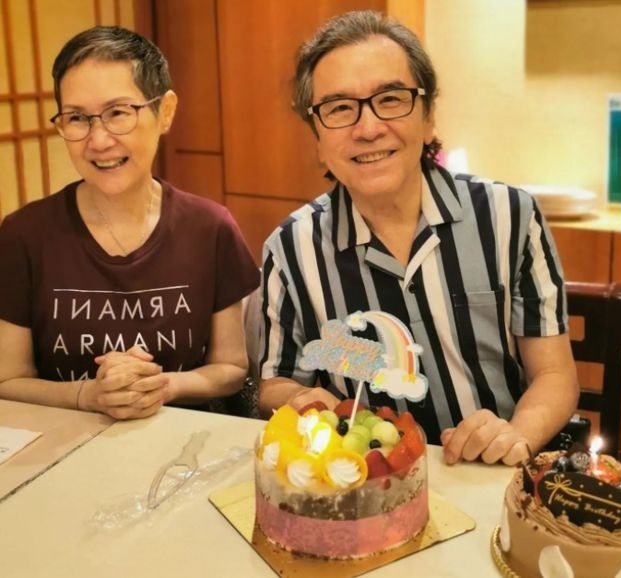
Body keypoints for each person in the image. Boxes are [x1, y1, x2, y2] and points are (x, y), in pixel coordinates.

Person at [257, 10, 579, 466]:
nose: (368, 128)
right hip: (368, 482)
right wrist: (299, 399)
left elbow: (555, 374)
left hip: (494, 473)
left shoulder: (509, 216)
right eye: (340, 108)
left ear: (428, 118)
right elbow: (275, 382)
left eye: (391, 99)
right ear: (318, 140)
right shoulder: (291, 249)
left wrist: (515, 436)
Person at [0, 26, 260, 420]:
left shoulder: (210, 228)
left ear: (165, 111)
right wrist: (88, 395)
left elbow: (231, 369)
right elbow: (8, 379)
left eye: (118, 112)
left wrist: (160, 386)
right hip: (66, 444)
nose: (99, 140)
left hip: (185, 442)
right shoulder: (24, 234)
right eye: (77, 118)